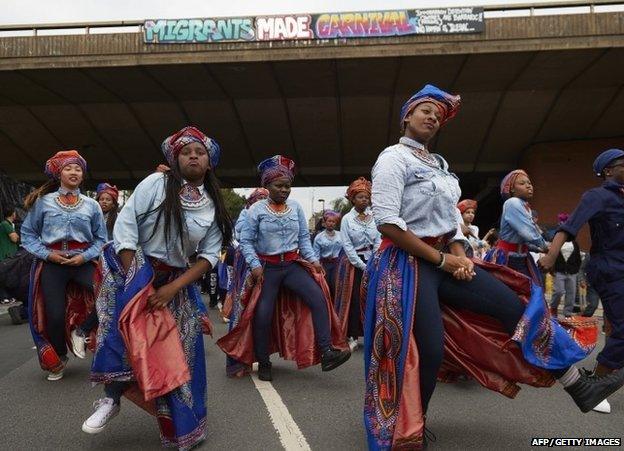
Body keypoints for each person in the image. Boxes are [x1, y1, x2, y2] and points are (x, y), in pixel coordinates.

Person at [363, 84, 624, 449]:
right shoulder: (392, 158)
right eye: (425, 110)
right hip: (406, 264)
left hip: (446, 260)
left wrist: (460, 256)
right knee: (429, 349)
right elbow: (388, 222)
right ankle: (411, 426)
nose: (433, 117)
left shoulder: (439, 165)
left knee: (515, 306)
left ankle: (578, 385)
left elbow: (449, 222)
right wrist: (443, 258)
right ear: (407, 116)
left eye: (438, 116)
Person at [83, 126, 231, 448]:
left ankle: (179, 423)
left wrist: (171, 289)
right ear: (175, 159)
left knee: (183, 348)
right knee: (127, 331)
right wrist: (137, 281)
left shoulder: (213, 205)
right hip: (130, 264)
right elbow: (126, 228)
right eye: (185, 152)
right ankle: (110, 398)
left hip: (175, 279)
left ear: (209, 163)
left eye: (200, 152)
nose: (193, 155)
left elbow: (207, 256)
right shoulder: (155, 183)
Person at [217, 155, 350, 381]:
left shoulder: (296, 207)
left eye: (288, 186)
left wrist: (313, 260)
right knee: (263, 315)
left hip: (291, 265)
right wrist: (255, 265)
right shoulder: (255, 210)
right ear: (267, 186)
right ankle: (265, 362)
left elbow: (302, 239)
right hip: (267, 269)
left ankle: (327, 352)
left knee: (318, 299)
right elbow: (247, 242)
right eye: (279, 186)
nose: (284, 190)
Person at [539, 148, 624, 416]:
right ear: (607, 171)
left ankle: (599, 377)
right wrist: (551, 255)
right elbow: (570, 226)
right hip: (610, 269)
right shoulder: (597, 196)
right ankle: (597, 383)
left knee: (619, 326)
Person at [21, 150, 107, 381]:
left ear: (82, 175)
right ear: (60, 173)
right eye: (69, 168)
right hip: (52, 263)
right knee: (54, 315)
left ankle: (81, 330)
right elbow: (27, 235)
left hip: (82, 261)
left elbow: (101, 239)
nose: (74, 172)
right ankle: (59, 356)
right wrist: (49, 255)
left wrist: (84, 256)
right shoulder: (43, 203)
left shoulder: (92, 205)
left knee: (109, 295)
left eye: (78, 169)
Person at [335, 177, 381, 351]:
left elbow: (378, 239)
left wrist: (375, 259)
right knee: (353, 299)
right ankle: (352, 335)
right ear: (353, 199)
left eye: (366, 197)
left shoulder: (374, 217)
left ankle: (371, 334)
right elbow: (347, 245)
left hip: (373, 260)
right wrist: (362, 265)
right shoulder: (347, 219)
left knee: (373, 298)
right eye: (360, 197)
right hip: (353, 264)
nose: (364, 200)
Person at [484, 169, 548, 283]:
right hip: (509, 259)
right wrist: (546, 246)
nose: (528, 186)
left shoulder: (525, 206)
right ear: (512, 189)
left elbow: (524, 240)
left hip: (520, 256)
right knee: (522, 293)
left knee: (528, 292)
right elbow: (528, 232)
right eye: (522, 183)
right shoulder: (513, 202)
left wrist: (538, 248)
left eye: (529, 183)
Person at [549, 212, 582, 318]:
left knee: (571, 294)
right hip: (560, 271)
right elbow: (551, 255)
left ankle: (567, 313)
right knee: (558, 291)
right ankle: (553, 307)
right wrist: (552, 268)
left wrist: (576, 269)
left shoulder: (575, 244)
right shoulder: (556, 241)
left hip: (572, 273)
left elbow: (578, 258)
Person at [313, 210, 343, 298]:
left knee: (337, 286)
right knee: (326, 286)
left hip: (338, 264)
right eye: (329, 221)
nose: (331, 223)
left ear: (336, 223)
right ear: (325, 222)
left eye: (333, 221)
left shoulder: (341, 235)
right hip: (325, 265)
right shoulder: (319, 237)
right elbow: (316, 254)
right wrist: (317, 266)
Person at [0, 207, 19, 303]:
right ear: (13, 214)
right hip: (6, 255)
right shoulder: (5, 224)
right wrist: (16, 234)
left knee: (9, 276)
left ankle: (9, 296)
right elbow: (14, 239)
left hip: (10, 255)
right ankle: (4, 297)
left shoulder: (9, 225)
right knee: (5, 276)